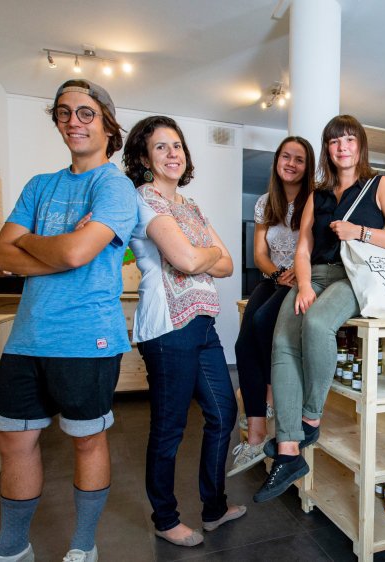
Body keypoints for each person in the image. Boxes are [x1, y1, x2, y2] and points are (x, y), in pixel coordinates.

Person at [0, 80, 137, 562]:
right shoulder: (39, 185)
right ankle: (12, 548)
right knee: (13, 438)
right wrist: (63, 247)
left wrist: (34, 244)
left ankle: (83, 546)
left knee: (87, 441)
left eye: (86, 113)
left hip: (87, 337)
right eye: (64, 112)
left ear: (108, 124)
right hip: (27, 337)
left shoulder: (115, 186)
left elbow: (73, 252)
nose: (73, 121)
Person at [253, 114, 385, 502]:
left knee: (318, 323)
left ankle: (311, 416)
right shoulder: (318, 194)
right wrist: (305, 284)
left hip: (355, 275)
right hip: (317, 274)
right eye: (334, 141)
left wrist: (359, 232)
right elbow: (303, 246)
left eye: (348, 140)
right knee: (282, 340)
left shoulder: (380, 185)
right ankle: (289, 451)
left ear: (360, 145)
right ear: (327, 149)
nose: (341, 147)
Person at [124, 116, 244, 547]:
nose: (173, 153)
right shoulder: (145, 200)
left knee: (223, 413)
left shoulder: (190, 207)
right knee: (170, 426)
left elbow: (227, 264)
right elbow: (190, 262)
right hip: (167, 327)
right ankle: (165, 517)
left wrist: (200, 253)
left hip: (202, 321)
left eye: (178, 145)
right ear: (144, 157)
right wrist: (203, 253)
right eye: (161, 147)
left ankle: (213, 509)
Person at [229, 136, 315, 476]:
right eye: (285, 157)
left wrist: (297, 274)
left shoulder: (314, 199)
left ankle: (268, 401)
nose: (291, 163)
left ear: (308, 167)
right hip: (275, 278)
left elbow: (313, 246)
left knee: (264, 323)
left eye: (299, 159)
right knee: (243, 339)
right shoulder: (265, 202)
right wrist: (277, 274)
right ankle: (255, 434)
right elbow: (259, 255)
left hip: (304, 279)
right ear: (276, 161)